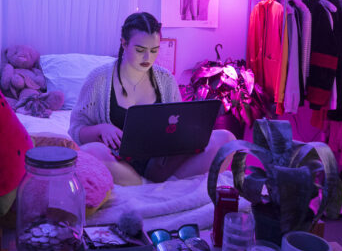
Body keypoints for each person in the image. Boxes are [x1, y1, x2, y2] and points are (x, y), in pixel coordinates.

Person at [69, 12, 235, 185]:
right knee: (90, 151)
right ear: (124, 44)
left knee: (227, 139)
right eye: (140, 50)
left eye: (154, 50)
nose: (148, 58)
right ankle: (147, 186)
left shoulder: (165, 80)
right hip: (120, 164)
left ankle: (159, 184)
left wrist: (189, 135)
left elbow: (179, 125)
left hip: (162, 164)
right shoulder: (99, 79)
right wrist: (101, 129)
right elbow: (76, 130)